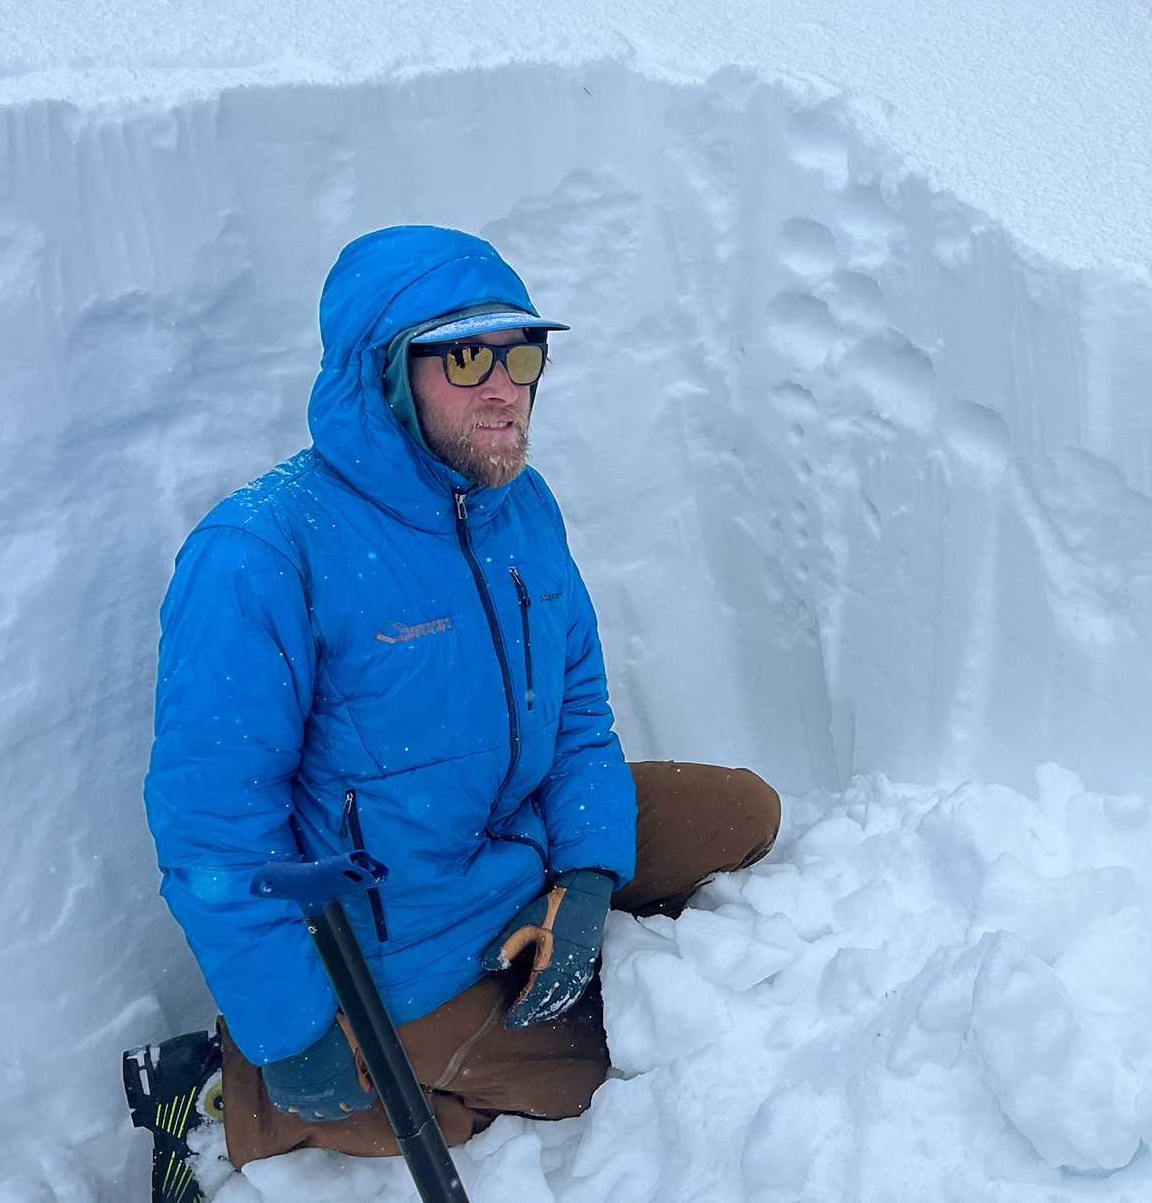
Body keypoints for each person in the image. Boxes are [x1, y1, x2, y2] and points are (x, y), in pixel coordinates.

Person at [122, 226, 779, 1202]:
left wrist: (589, 875)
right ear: (384, 376)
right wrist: (288, 1028)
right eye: (467, 355)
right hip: (395, 939)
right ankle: (234, 1096)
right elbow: (211, 836)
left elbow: (580, 715)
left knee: (744, 813)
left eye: (522, 351)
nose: (505, 385)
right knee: (618, 1066)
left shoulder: (519, 506)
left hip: (512, 846)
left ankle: (532, 938)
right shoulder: (262, 553)